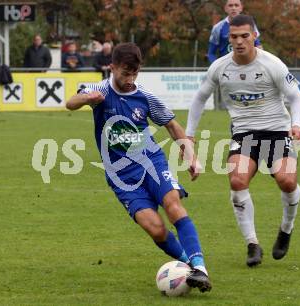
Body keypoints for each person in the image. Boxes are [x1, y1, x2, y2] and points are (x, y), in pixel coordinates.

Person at [66, 42, 212, 292]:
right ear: (112, 67)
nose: (130, 78)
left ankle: (200, 267)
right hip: (121, 176)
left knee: (173, 205)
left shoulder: (144, 96)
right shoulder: (99, 90)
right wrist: (85, 99)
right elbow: (71, 102)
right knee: (155, 228)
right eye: (125, 73)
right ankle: (188, 266)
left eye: (135, 73)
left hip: (152, 163)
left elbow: (172, 125)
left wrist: (191, 157)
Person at [186, 15, 300, 267]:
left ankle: (286, 228)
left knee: (287, 180)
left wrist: (296, 125)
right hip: (244, 134)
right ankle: (252, 244)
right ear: (228, 38)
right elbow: (199, 99)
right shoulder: (220, 67)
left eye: (244, 36)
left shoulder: (272, 64)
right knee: (237, 179)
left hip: (277, 131)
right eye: (234, 37)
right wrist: (189, 135)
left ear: (254, 36)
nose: (239, 41)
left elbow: (296, 98)